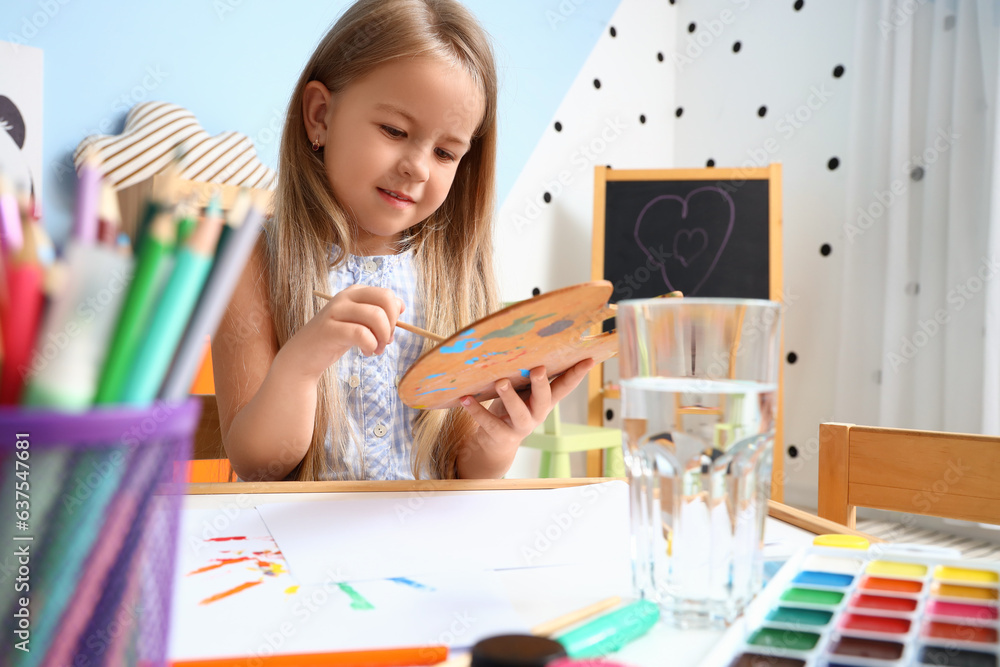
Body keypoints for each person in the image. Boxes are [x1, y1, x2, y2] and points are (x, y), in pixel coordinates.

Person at [213, 0, 595, 482]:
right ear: (320, 116)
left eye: (444, 152)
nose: (417, 166)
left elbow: (465, 469)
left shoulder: (451, 271)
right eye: (394, 130)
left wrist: (500, 438)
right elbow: (258, 463)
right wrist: (303, 363)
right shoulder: (253, 259)